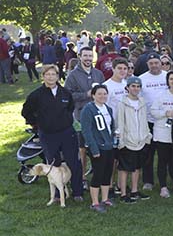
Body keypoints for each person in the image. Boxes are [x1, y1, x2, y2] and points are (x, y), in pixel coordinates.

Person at [21, 64, 83, 202]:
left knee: (74, 162)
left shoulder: (65, 93)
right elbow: (26, 112)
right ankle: (56, 195)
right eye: (47, 74)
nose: (51, 77)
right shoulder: (36, 95)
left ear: (57, 76)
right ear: (43, 76)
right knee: (53, 164)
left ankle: (77, 191)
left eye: (53, 74)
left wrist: (64, 120)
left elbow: (70, 108)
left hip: (67, 133)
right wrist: (37, 125)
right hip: (48, 134)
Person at [65, 46, 105, 185]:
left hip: (98, 115)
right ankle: (82, 178)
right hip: (81, 115)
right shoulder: (73, 75)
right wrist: (86, 95)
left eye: (90, 56)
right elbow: (68, 95)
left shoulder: (98, 74)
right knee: (82, 149)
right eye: (85, 56)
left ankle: (99, 176)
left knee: (99, 146)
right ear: (80, 57)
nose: (88, 58)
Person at [114, 76, 151, 203]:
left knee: (137, 167)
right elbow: (120, 123)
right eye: (133, 86)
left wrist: (147, 136)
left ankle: (134, 191)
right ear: (128, 88)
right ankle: (123, 193)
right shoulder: (122, 103)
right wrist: (121, 140)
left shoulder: (142, 102)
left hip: (140, 139)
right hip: (127, 140)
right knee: (124, 168)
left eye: (138, 86)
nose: (135, 89)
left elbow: (144, 120)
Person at [80, 84, 116, 212]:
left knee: (107, 173)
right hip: (98, 147)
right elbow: (86, 131)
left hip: (109, 146)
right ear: (93, 95)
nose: (102, 96)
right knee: (98, 174)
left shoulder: (108, 109)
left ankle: (105, 198)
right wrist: (94, 149)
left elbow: (111, 127)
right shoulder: (88, 109)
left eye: (105, 94)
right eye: (99, 94)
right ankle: (94, 202)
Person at [150, 71, 173, 198]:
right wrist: (166, 113)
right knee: (162, 161)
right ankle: (163, 186)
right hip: (162, 133)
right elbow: (153, 111)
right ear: (167, 81)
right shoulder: (161, 95)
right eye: (171, 79)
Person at [139, 56, 167, 189]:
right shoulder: (142, 79)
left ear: (160, 63)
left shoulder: (168, 76)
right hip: (148, 120)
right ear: (147, 64)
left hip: (166, 121)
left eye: (156, 63)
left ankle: (172, 179)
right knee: (148, 153)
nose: (154, 65)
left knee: (167, 153)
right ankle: (148, 181)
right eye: (151, 63)